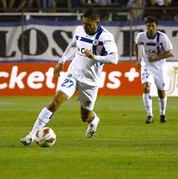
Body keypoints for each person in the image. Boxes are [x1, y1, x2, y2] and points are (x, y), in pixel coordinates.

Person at [20, 9, 119, 145]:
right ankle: (31, 135)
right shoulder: (79, 30)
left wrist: (94, 57)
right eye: (83, 23)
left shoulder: (105, 37)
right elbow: (73, 44)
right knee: (56, 102)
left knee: (85, 116)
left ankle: (94, 119)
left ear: (97, 23)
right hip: (73, 74)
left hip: (90, 82)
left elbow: (114, 59)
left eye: (88, 24)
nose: (85, 27)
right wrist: (61, 61)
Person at [135, 16, 174, 124]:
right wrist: (138, 60)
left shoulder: (162, 37)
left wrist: (156, 58)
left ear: (157, 27)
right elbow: (137, 44)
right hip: (147, 66)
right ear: (146, 26)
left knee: (161, 91)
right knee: (146, 87)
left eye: (153, 26)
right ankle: (149, 115)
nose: (151, 28)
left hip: (159, 67)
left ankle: (162, 113)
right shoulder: (141, 36)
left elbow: (170, 53)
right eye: (148, 26)